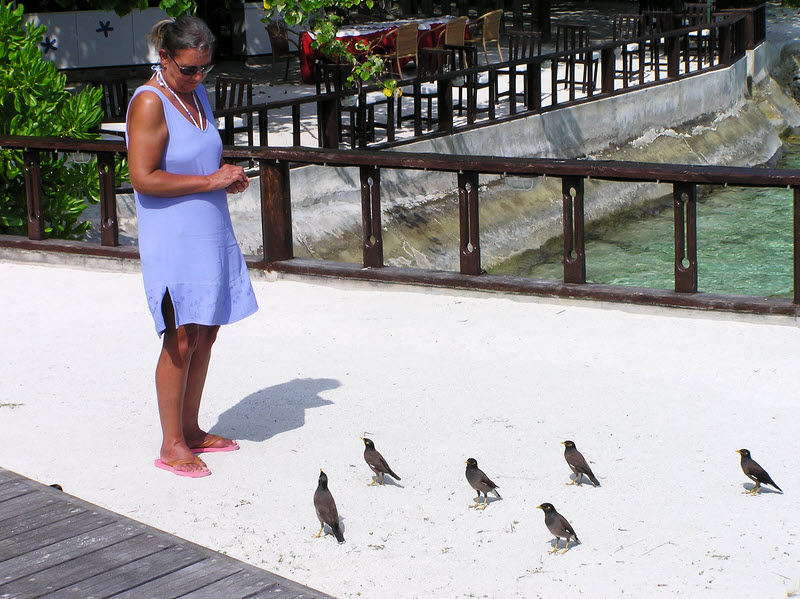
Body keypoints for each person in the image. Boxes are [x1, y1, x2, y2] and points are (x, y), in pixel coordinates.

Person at [126, 16, 258, 478]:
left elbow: (199, 157)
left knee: (207, 330)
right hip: (172, 237)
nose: (198, 77)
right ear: (164, 58)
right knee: (179, 335)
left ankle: (193, 428)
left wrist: (226, 175)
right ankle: (172, 443)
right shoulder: (150, 101)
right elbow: (143, 177)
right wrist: (209, 180)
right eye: (189, 69)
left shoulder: (194, 91)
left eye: (205, 68)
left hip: (208, 229)